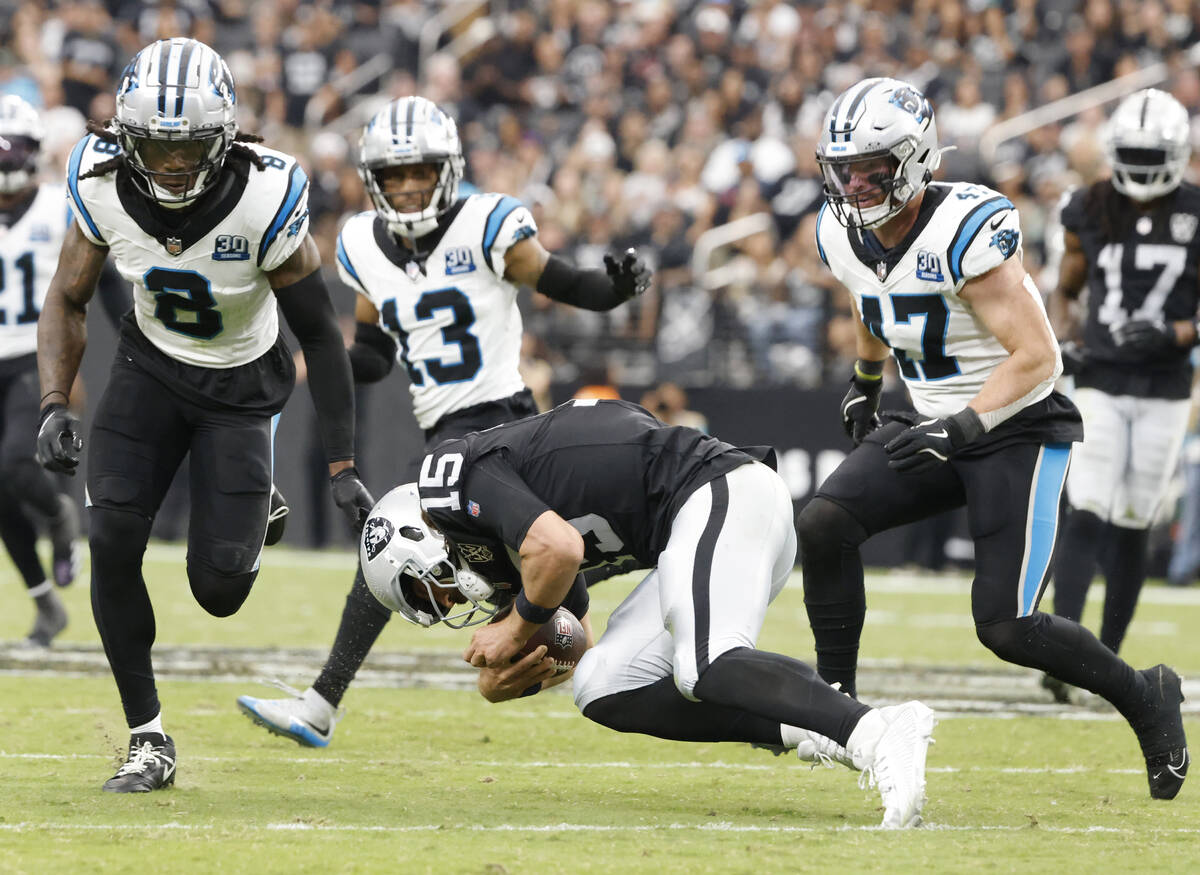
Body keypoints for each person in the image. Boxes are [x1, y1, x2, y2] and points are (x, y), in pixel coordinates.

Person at [797, 77, 1188, 801]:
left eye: (871, 169)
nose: (853, 185)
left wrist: (964, 425)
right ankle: (837, 707)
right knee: (823, 522)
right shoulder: (840, 232)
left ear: (913, 162)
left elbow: (1040, 356)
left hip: (1017, 427)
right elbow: (870, 295)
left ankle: (1145, 694)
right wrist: (866, 376)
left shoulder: (965, 227)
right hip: (936, 422)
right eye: (843, 169)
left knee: (1004, 625)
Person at [235, 95, 651, 748]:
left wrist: (615, 288)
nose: (406, 187)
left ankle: (320, 704)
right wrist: (323, 362)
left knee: (392, 541)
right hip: (447, 440)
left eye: (419, 172)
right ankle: (617, 652)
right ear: (374, 181)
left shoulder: (488, 223)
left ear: (447, 170)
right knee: (554, 606)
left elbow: (563, 282)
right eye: (394, 175)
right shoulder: (363, 244)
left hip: (503, 425)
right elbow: (374, 355)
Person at [35, 38, 373, 793]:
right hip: (148, 366)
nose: (172, 165)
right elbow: (67, 296)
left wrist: (343, 463)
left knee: (220, 592)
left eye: (188, 148)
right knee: (113, 535)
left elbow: (318, 328)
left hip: (243, 387)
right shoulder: (96, 182)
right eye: (155, 147)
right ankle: (147, 737)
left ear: (223, 140)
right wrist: (56, 399)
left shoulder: (265, 194)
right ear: (126, 138)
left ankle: (256, 510)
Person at [360, 398, 937, 829]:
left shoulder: (447, 479)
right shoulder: (497, 548)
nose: (452, 601)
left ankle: (876, 731)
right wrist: (522, 670)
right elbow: (576, 636)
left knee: (705, 663)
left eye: (429, 590)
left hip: (719, 492)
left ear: (416, 537)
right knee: (602, 683)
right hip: (699, 525)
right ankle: (818, 731)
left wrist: (515, 626)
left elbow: (561, 550)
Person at [1045, 89, 1200, 669]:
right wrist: (1065, 343)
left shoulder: (1196, 210)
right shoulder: (1087, 205)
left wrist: (1179, 333)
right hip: (1102, 378)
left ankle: (1108, 658)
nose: (1138, 162)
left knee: (1135, 518)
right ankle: (1065, 650)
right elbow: (1066, 289)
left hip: (1163, 385)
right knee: (1087, 505)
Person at [0, 94, 81, 646]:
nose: (6, 161)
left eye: (15, 150)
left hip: (35, 354)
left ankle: (57, 514)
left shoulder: (59, 207)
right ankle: (45, 606)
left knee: (11, 463)